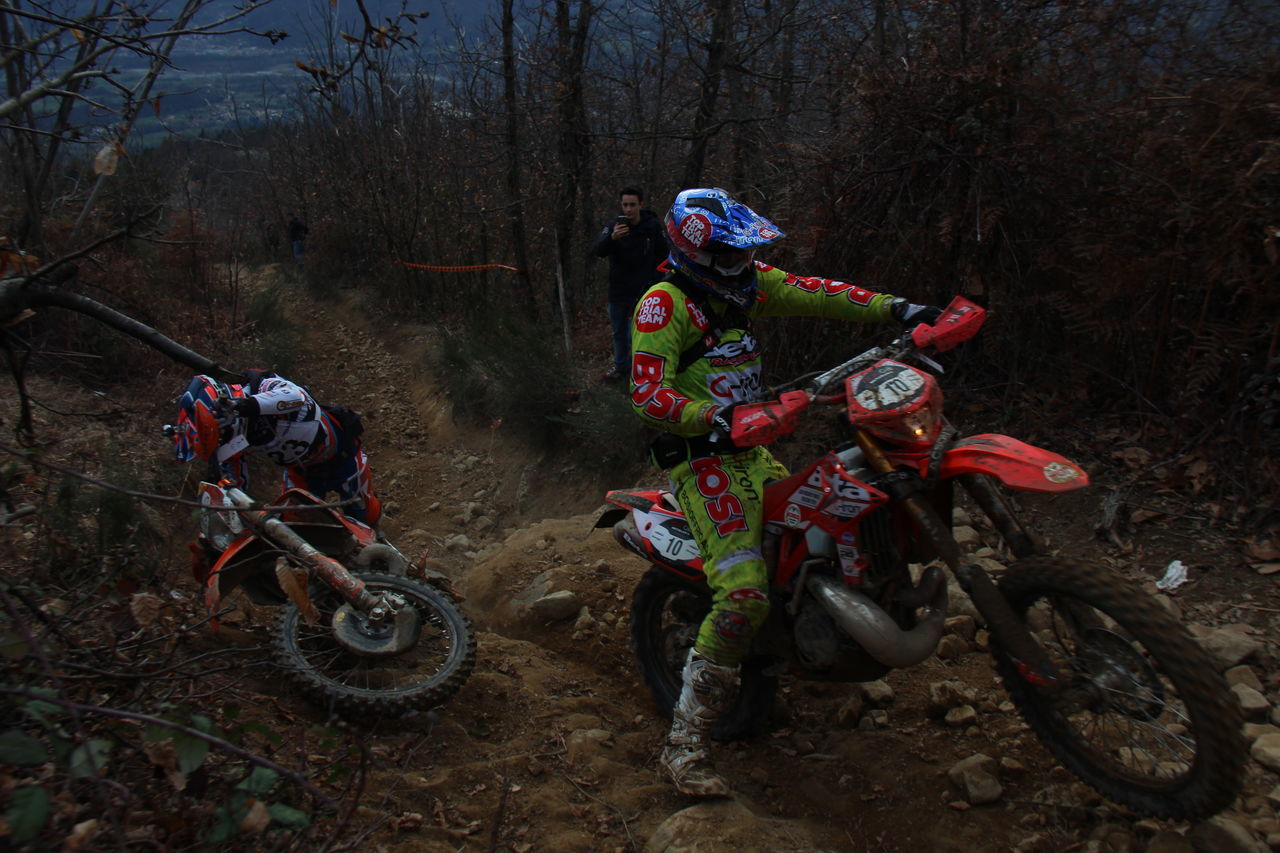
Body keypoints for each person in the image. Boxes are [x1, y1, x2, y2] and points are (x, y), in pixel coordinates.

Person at [629, 187, 944, 797]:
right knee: (745, 592)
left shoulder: (747, 283)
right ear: (695, 253)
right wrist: (717, 419)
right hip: (703, 462)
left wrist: (900, 310)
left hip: (754, 450)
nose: (740, 265)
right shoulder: (662, 306)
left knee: (823, 533)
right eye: (726, 255)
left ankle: (822, 634)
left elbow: (819, 292)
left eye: (744, 253)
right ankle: (685, 743)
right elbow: (646, 393)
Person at [170, 370, 380, 526]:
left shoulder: (262, 386)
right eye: (220, 438)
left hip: (343, 459)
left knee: (365, 516)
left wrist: (246, 406)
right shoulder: (232, 440)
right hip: (301, 475)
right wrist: (227, 511)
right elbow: (235, 486)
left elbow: (295, 396)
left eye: (222, 433)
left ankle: (384, 557)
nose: (225, 439)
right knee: (294, 527)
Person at [592, 186, 667, 382]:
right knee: (618, 331)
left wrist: (655, 282)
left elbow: (664, 255)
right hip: (618, 289)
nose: (628, 209)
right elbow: (598, 250)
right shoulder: (614, 226)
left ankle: (640, 372)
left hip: (645, 290)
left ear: (640, 204)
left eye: (632, 205)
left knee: (640, 334)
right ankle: (621, 367)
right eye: (625, 205)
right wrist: (612, 238)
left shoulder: (652, 227)